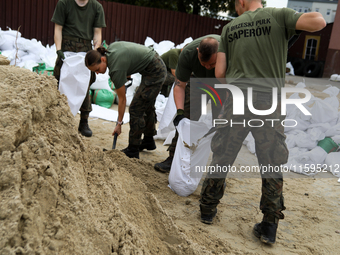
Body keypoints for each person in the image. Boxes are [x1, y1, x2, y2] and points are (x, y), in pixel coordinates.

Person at [189, 0, 326, 245]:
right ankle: (269, 227)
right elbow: (319, 21)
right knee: (271, 161)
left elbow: (219, 73)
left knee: (223, 155)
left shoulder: (230, 29)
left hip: (238, 100)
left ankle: (207, 210)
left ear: (242, 2)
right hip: (270, 102)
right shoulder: (278, 16)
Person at [85, 42, 167, 159]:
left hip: (155, 71)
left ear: (103, 60)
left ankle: (133, 149)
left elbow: (122, 100)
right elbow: (127, 54)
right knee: (146, 104)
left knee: (136, 108)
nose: (97, 73)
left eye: (97, 69)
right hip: (153, 63)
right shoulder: (110, 49)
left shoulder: (115, 69)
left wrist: (119, 124)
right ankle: (148, 140)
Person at [154, 35, 221, 173]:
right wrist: (180, 112)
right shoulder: (188, 54)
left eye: (212, 64)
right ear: (197, 51)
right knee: (186, 121)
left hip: (222, 84)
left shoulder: (231, 53)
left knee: (222, 127)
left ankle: (218, 172)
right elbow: (179, 85)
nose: (208, 67)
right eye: (204, 64)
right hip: (198, 82)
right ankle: (173, 159)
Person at [52, 0, 106, 137]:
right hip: (66, 48)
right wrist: (58, 50)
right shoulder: (64, 3)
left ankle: (84, 121)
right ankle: (56, 119)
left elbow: (97, 32)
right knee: (58, 82)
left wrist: (96, 51)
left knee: (84, 85)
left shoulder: (96, 7)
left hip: (85, 50)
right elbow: (58, 28)